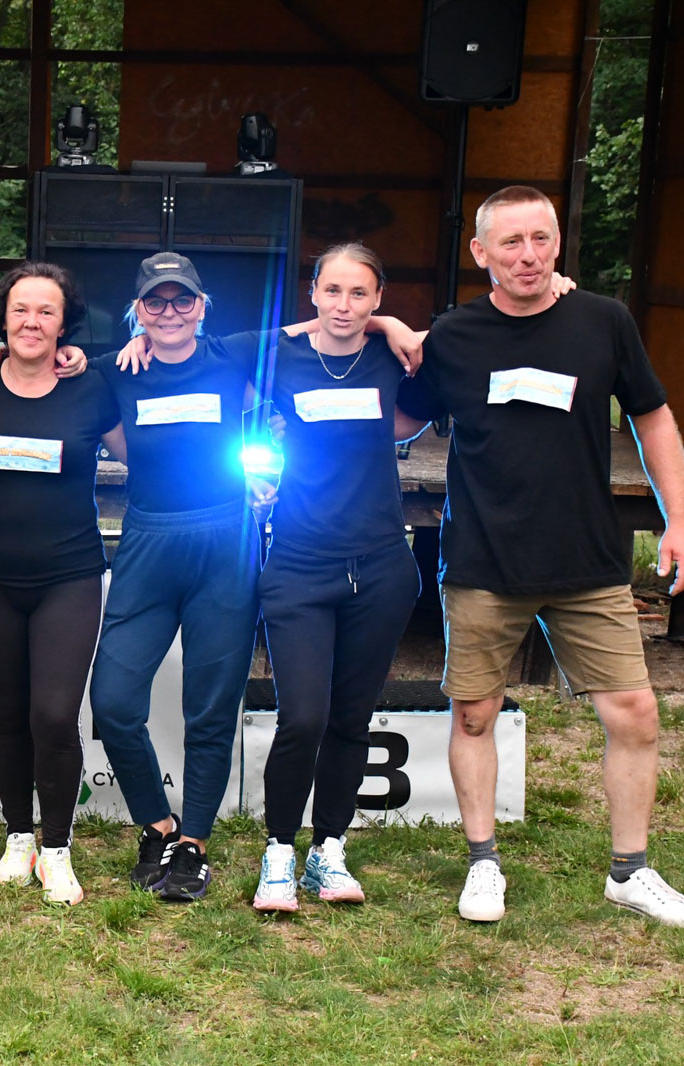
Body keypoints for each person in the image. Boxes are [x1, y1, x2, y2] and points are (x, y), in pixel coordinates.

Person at [398, 184, 684, 927]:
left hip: (586, 558)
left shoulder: (603, 321)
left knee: (634, 712)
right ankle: (483, 863)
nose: (528, 255)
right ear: (481, 253)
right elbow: (397, 420)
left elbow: (653, 419)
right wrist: (375, 325)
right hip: (483, 559)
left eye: (541, 239)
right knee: (474, 714)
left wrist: (679, 522)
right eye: (511, 242)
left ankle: (630, 871)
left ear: (559, 243)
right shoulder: (454, 336)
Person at [237, 244, 432, 913]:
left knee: (350, 718)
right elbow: (209, 350)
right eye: (332, 291)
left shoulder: (391, 359)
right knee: (304, 717)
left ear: (378, 298)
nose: (344, 306)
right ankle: (278, 853)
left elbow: (451, 357)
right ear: (313, 292)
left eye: (360, 295)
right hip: (299, 563)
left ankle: (329, 849)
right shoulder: (282, 357)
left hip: (381, 565)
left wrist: (391, 329)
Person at [86, 252, 262, 902]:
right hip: (149, 540)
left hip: (225, 541)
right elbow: (48, 361)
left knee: (209, 708)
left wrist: (390, 324)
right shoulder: (115, 369)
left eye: (182, 299)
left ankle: (194, 844)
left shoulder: (235, 355)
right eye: (155, 302)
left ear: (201, 305)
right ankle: (157, 826)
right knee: (114, 701)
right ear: (138, 310)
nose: (169, 312)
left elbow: (318, 334)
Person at [0, 262, 126, 906]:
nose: (32, 322)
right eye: (20, 310)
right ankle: (18, 836)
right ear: (1, 317)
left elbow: (144, 457)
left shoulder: (91, 387)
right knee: (8, 713)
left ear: (65, 323)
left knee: (53, 715)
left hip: (68, 576)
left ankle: (57, 847)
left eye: (46, 311)